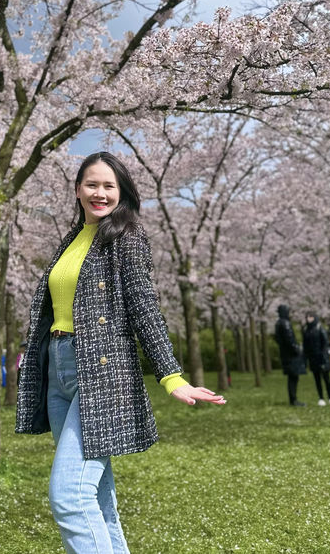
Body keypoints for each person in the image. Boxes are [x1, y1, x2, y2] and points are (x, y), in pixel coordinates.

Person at [16, 151, 226, 554]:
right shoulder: (72, 239)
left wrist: (172, 377)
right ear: (77, 189)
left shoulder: (126, 236)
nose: (100, 193)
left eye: (109, 186)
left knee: (69, 497)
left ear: (122, 191)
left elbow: (144, 308)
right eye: (92, 184)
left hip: (101, 373)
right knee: (96, 497)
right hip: (58, 371)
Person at [274, 304, 306, 407]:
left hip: (285, 354)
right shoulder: (285, 324)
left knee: (292, 377)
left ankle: (293, 399)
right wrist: (297, 349)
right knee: (293, 377)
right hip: (291, 355)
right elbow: (289, 339)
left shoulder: (278, 324)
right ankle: (293, 399)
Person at [303, 312, 330, 406]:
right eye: (307, 317)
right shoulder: (306, 330)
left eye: (310, 317)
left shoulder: (319, 328)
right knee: (317, 379)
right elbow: (306, 346)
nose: (308, 319)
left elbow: (325, 343)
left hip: (322, 357)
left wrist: (324, 356)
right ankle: (321, 397)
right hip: (313, 358)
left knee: (326, 379)